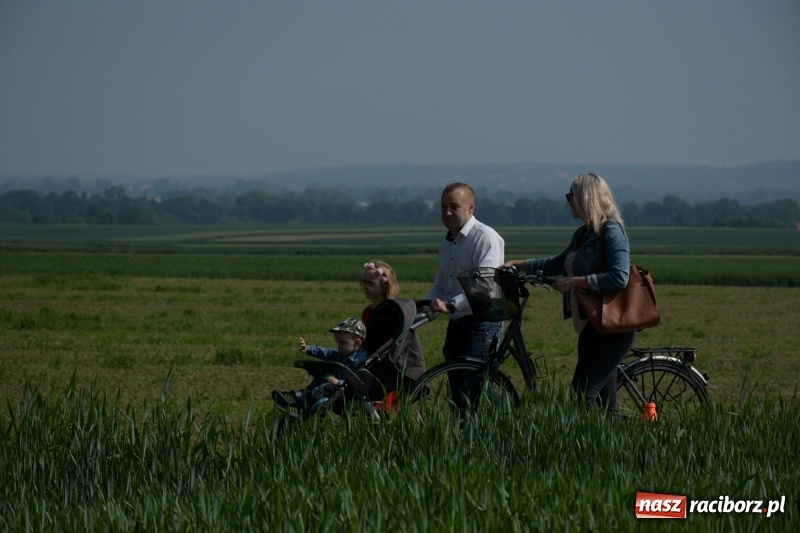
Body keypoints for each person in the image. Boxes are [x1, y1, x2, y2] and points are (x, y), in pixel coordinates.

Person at [502, 173, 634, 413]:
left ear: (585, 197)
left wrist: (576, 282)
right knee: (605, 406)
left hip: (613, 328)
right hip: (590, 323)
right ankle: (611, 446)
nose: (568, 202)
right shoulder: (584, 233)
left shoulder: (612, 231)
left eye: (569, 196)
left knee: (582, 396)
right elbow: (559, 262)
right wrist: (518, 264)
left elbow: (620, 276)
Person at [423, 182, 505, 408]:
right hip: (458, 326)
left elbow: (485, 287)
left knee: (475, 393)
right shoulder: (448, 243)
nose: (447, 213)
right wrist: (424, 303)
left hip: (482, 325)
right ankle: (465, 437)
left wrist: (450, 305)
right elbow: (441, 284)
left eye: (454, 207)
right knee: (458, 395)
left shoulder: (485, 238)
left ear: (471, 208)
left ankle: (509, 421)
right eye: (443, 207)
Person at [272, 317, 368, 413]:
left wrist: (339, 382)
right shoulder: (344, 353)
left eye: (343, 343)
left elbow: (359, 382)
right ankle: (298, 396)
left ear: (357, 342)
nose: (339, 346)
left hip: (347, 394)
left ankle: (299, 403)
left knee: (325, 387)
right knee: (321, 377)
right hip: (337, 389)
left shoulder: (360, 361)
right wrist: (308, 349)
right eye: (337, 342)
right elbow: (327, 352)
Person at [360, 260, 400, 325]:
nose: (366, 286)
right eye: (364, 282)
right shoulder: (367, 311)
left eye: (371, 283)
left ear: (385, 286)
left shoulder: (391, 312)